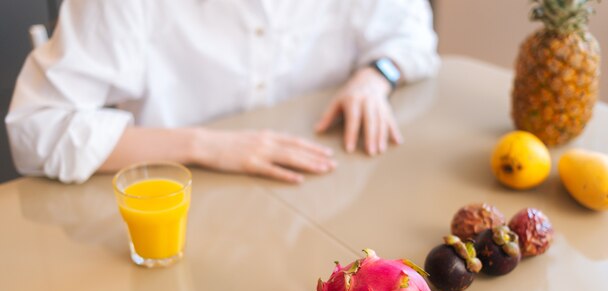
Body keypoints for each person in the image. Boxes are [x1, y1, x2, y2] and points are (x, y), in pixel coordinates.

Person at [5, 0, 440, 184]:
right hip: (174, 202)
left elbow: (411, 31)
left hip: (329, 186)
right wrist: (202, 144)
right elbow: (36, 127)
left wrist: (376, 75)